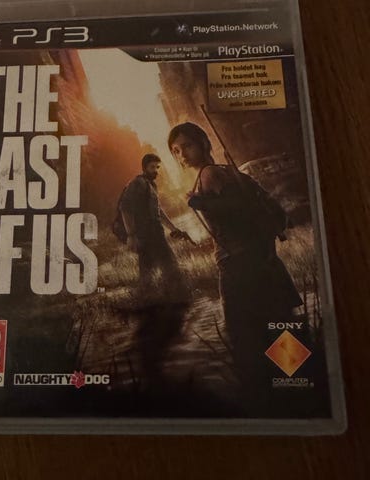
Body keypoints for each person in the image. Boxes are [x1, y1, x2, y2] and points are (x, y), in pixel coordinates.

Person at [168, 122, 303, 392]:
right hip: (256, 259)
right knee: (274, 320)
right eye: (176, 151)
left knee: (245, 331)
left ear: (203, 143)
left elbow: (238, 209)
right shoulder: (221, 172)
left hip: (239, 265)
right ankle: (294, 382)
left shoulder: (209, 174)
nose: (182, 155)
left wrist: (199, 202)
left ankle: (268, 391)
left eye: (187, 146)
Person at [120, 154, 187, 295]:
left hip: (157, 233)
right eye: (152, 167)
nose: (156, 170)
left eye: (157, 167)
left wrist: (173, 229)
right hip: (145, 235)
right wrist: (131, 235)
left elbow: (158, 211)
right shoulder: (138, 183)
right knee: (161, 267)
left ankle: (161, 296)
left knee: (154, 269)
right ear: (144, 168)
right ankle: (169, 296)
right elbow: (125, 208)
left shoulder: (152, 185)